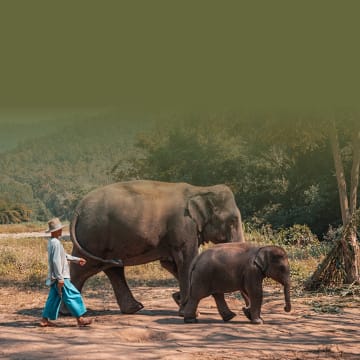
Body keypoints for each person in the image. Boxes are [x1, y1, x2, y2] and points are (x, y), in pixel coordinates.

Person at [40, 217, 92, 327]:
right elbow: (56, 261)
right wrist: (60, 278)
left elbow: (63, 256)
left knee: (54, 298)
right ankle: (80, 319)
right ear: (56, 231)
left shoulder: (52, 242)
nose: (61, 231)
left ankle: (44, 320)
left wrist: (77, 260)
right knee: (73, 295)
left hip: (55, 277)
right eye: (60, 229)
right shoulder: (56, 243)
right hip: (61, 276)